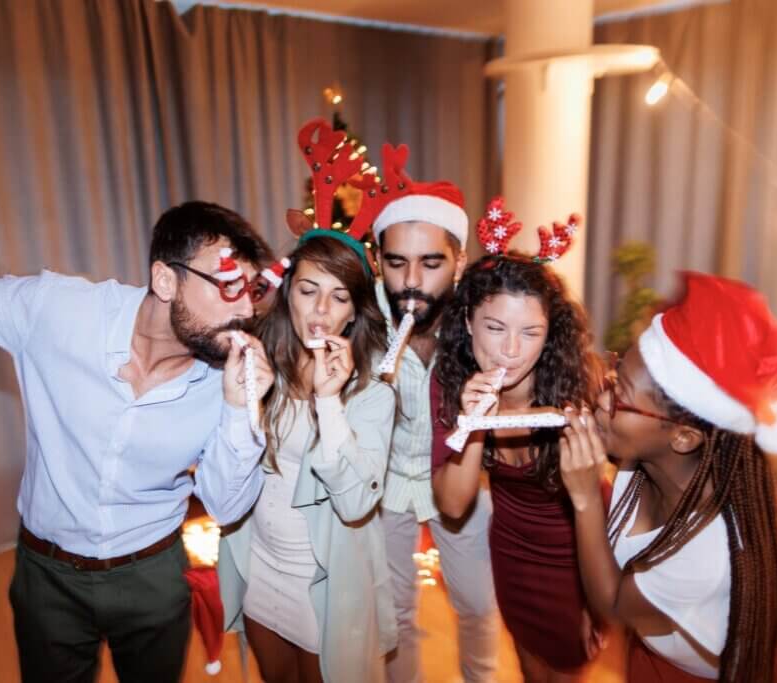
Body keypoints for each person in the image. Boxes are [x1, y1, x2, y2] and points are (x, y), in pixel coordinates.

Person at [0, 112, 275, 682]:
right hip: (47, 576)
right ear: (165, 280)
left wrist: (239, 411)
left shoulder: (226, 380)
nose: (245, 308)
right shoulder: (57, 311)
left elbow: (226, 506)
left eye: (252, 290)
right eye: (227, 285)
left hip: (154, 576)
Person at [558, 271, 777, 682]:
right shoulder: (640, 460)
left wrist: (584, 497)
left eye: (620, 395)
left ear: (683, 436)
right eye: (614, 377)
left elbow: (614, 605)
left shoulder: (707, 551)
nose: (602, 399)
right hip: (650, 649)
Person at [216, 119, 397, 683]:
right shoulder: (256, 366)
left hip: (325, 584)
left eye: (339, 297)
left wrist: (329, 403)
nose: (321, 310)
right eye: (309, 290)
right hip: (261, 570)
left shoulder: (372, 394)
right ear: (288, 293)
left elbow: (355, 504)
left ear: (355, 311)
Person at [431, 198, 604, 682]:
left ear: (549, 334)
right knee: (529, 669)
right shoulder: (455, 383)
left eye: (530, 332)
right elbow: (453, 504)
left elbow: (610, 496)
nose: (510, 350)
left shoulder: (574, 389)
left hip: (574, 560)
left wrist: (598, 595)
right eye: (494, 327)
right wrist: (473, 423)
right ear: (468, 322)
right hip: (511, 555)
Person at [368, 166, 499, 682]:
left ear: (460, 260)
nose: (412, 282)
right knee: (394, 617)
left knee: (477, 605)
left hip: (460, 478)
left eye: (431, 263)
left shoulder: (483, 322)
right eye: (396, 262)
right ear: (378, 260)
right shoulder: (358, 319)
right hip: (384, 484)